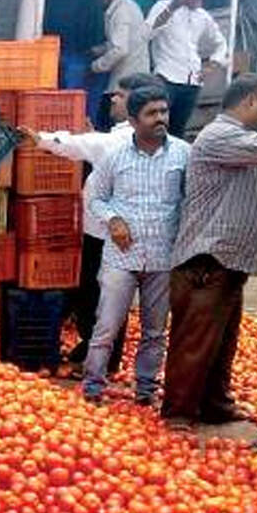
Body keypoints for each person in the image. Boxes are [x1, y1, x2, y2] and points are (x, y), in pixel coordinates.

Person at [22, 73, 162, 379]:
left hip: (107, 233)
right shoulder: (133, 138)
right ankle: (98, 352)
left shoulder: (119, 140)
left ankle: (102, 360)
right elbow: (93, 144)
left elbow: (82, 145)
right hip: (115, 231)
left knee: (100, 294)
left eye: (121, 96)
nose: (113, 98)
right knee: (106, 293)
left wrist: (41, 139)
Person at [160, 74, 257, 427]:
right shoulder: (219, 135)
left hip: (229, 259)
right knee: (196, 338)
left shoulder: (236, 139)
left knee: (221, 340)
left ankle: (214, 404)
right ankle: (179, 410)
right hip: (207, 257)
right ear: (251, 101)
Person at [82, 85, 190, 405]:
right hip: (121, 256)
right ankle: (92, 386)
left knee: (155, 331)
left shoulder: (184, 153)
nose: (161, 119)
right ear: (133, 120)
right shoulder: (115, 157)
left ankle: (145, 390)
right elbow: (95, 198)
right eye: (152, 113)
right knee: (107, 326)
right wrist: (113, 220)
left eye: (164, 111)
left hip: (163, 257)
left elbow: (192, 199)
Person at [145, 0, 228, 138]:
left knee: (177, 132)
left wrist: (212, 65)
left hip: (192, 83)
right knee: (157, 128)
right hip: (166, 79)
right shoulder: (163, 6)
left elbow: (220, 43)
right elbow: (148, 33)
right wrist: (175, 5)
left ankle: (173, 165)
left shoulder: (203, 17)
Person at [88, 0, 150, 130]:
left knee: (109, 123)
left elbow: (120, 49)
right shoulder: (127, 6)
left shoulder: (121, 11)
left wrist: (95, 67)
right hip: (131, 75)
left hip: (127, 77)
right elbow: (119, 40)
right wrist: (99, 50)